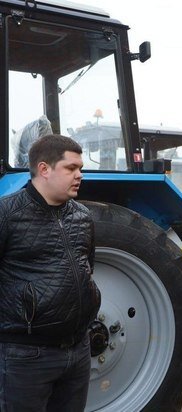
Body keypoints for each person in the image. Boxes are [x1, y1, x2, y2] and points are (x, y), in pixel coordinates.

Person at [0, 134, 101, 411]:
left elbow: (86, 268)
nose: (79, 175)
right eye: (71, 168)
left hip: (78, 351)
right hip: (26, 356)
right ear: (44, 169)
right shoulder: (7, 215)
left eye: (80, 168)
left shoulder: (82, 216)